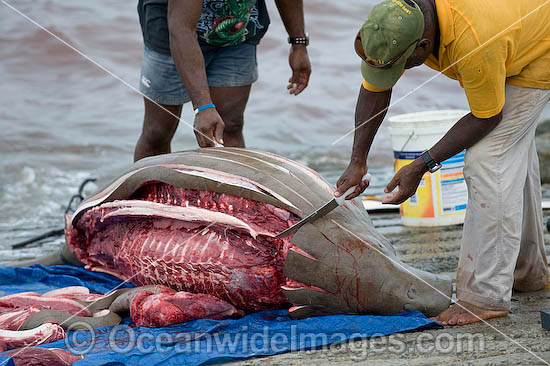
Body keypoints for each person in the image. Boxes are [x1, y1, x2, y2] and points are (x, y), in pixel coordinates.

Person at [335, 0, 550, 325]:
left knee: (488, 159)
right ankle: (530, 272)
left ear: (424, 46)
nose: (395, 74)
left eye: (401, 65)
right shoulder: (395, 21)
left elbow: (485, 117)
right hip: (513, 27)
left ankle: (486, 296)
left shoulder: (475, 38)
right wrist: (357, 161)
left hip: (541, 46)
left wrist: (421, 165)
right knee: (511, 149)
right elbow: (376, 85)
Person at [134, 0, 311, 161]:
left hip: (237, 28)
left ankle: (231, 194)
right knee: (157, 132)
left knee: (230, 126)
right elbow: (181, 29)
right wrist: (203, 106)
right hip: (171, 27)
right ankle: (139, 194)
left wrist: (298, 43)